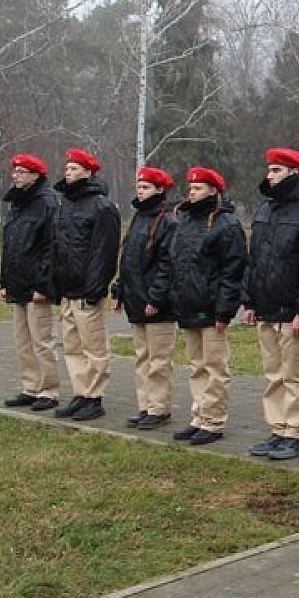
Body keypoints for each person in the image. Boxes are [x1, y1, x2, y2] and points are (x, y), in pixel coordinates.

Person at [244, 149, 299, 461]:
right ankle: (278, 429)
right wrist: (249, 300)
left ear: (293, 172)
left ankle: (298, 432)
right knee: (273, 374)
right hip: (265, 304)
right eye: (269, 170)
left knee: (295, 374)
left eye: (276, 170)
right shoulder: (266, 208)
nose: (270, 175)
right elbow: (255, 259)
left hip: (292, 309)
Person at [169, 166, 247, 446]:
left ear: (214, 191)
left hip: (212, 308)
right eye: (190, 187)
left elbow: (233, 270)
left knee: (215, 367)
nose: (192, 192)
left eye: (198, 187)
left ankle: (214, 421)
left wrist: (224, 310)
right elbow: (177, 263)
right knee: (196, 366)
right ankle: (199, 416)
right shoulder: (186, 221)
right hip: (189, 305)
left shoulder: (225, 225)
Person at [51, 148, 121, 422]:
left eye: (75, 169)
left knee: (94, 346)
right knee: (72, 346)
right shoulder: (65, 205)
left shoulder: (102, 207)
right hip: (68, 288)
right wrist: (55, 283)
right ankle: (81, 392)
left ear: (88, 172)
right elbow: (57, 247)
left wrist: (95, 287)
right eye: (67, 169)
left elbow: (104, 251)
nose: (69, 173)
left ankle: (95, 396)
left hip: (86, 289)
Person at [111, 166, 179, 430]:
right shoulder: (140, 217)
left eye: (146, 187)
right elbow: (127, 259)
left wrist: (156, 298)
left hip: (157, 303)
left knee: (159, 359)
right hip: (136, 298)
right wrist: (120, 290)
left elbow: (167, 264)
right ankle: (145, 405)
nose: (140, 192)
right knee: (142, 356)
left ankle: (159, 407)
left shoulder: (168, 222)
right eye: (139, 187)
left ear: (159, 190)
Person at [0, 153, 60, 412]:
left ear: (36, 175)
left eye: (22, 171)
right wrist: (4, 281)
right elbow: (10, 245)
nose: (16, 176)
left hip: (37, 285)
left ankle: (49, 390)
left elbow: (51, 247)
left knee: (42, 340)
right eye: (15, 171)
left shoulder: (46, 203)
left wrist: (43, 284)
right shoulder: (18, 203)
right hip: (17, 282)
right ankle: (30, 387)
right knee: (22, 341)